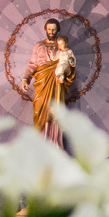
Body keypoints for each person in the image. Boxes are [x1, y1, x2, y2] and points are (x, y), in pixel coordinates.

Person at [22, 17, 75, 146]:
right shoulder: (39, 45)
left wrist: (66, 69)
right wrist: (26, 78)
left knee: (55, 110)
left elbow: (69, 63)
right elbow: (32, 64)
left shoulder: (62, 46)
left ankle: (55, 143)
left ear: (57, 31)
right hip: (42, 83)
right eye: (49, 29)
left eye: (54, 30)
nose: (51, 32)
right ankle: (41, 144)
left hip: (56, 84)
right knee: (39, 109)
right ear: (45, 29)